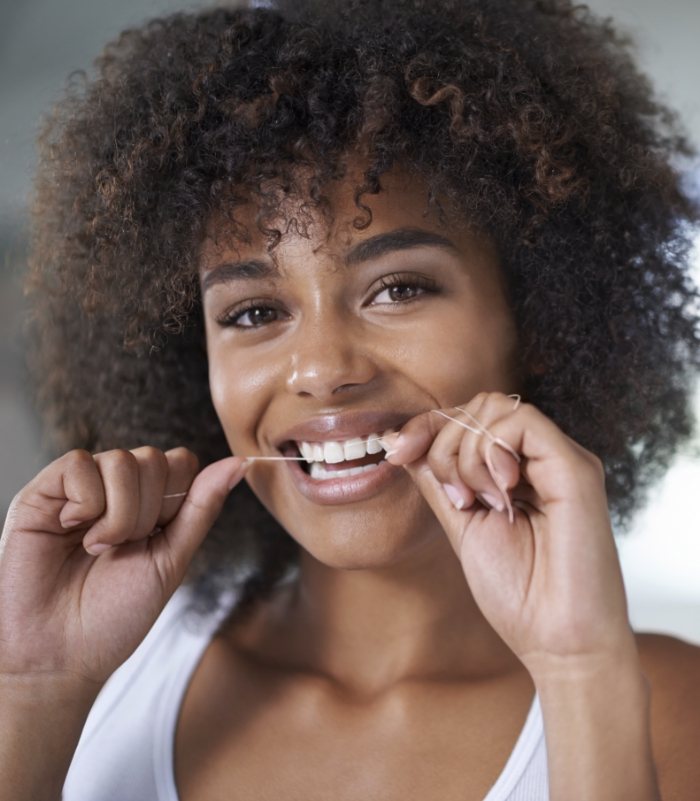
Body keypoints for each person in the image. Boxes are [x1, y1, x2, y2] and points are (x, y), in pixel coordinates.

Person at [2, 0, 699, 798]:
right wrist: (33, 692)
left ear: (539, 317)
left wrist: (580, 671)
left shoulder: (668, 708)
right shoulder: (95, 675)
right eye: (254, 312)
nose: (321, 369)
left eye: (398, 288)